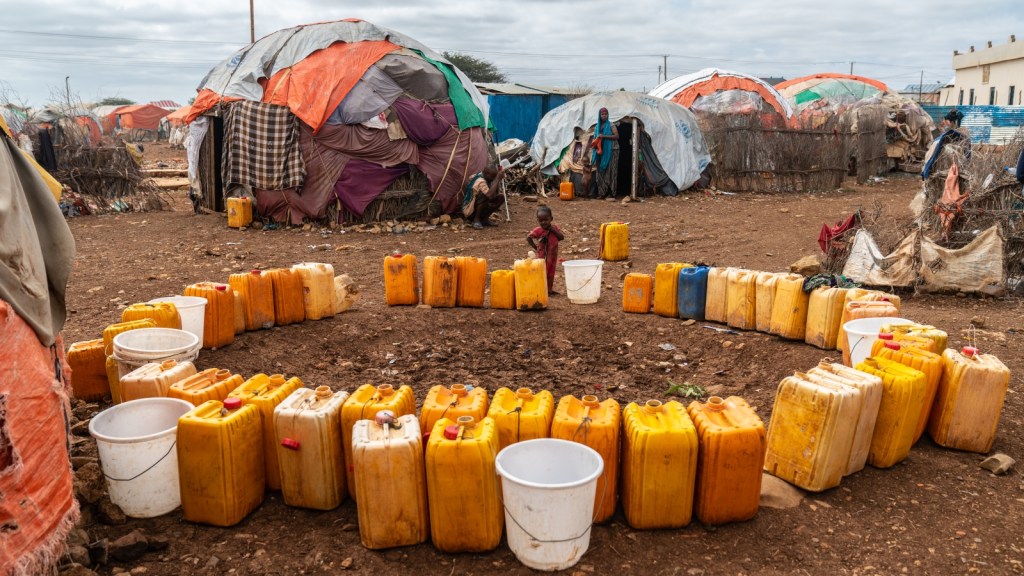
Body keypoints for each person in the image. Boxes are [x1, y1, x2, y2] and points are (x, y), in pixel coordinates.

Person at [527, 205, 565, 295]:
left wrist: (553, 231)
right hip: (542, 257)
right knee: (542, 272)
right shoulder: (538, 230)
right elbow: (528, 238)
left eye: (546, 220)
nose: (543, 222)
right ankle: (541, 289)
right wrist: (536, 247)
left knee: (551, 273)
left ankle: (549, 290)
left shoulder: (555, 229)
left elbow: (561, 237)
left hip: (552, 256)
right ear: (538, 220)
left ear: (551, 219)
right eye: (541, 220)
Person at [587, 107, 619, 199]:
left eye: (606, 114)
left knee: (611, 171)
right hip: (600, 151)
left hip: (612, 150)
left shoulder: (611, 125)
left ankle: (611, 193)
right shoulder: (597, 126)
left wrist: (604, 136)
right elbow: (595, 138)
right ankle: (602, 193)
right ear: (599, 115)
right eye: (602, 114)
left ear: (608, 115)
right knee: (600, 172)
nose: (604, 116)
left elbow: (617, 136)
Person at [557, 128, 589, 198]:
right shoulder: (574, 145)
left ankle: (584, 195)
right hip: (582, 176)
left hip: (585, 178)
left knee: (585, 186)